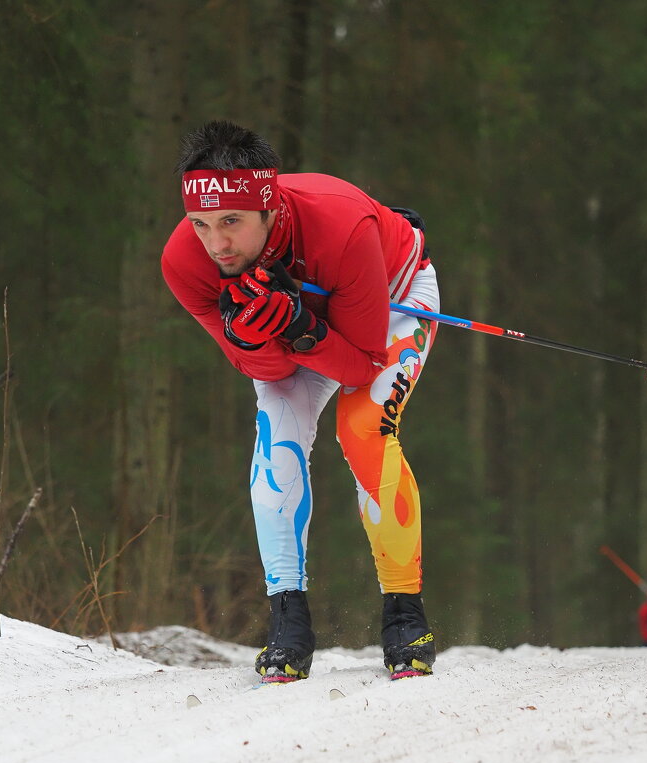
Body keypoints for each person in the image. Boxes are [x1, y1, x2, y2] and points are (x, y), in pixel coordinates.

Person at [161, 120, 441, 682]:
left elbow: (361, 364)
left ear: (268, 208)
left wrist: (296, 326)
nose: (217, 244)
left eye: (232, 223)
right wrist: (256, 335)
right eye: (201, 225)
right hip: (310, 331)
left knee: (361, 428)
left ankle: (405, 615)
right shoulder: (185, 263)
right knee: (277, 437)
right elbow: (262, 370)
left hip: (393, 299)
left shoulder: (339, 224)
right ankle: (289, 621)